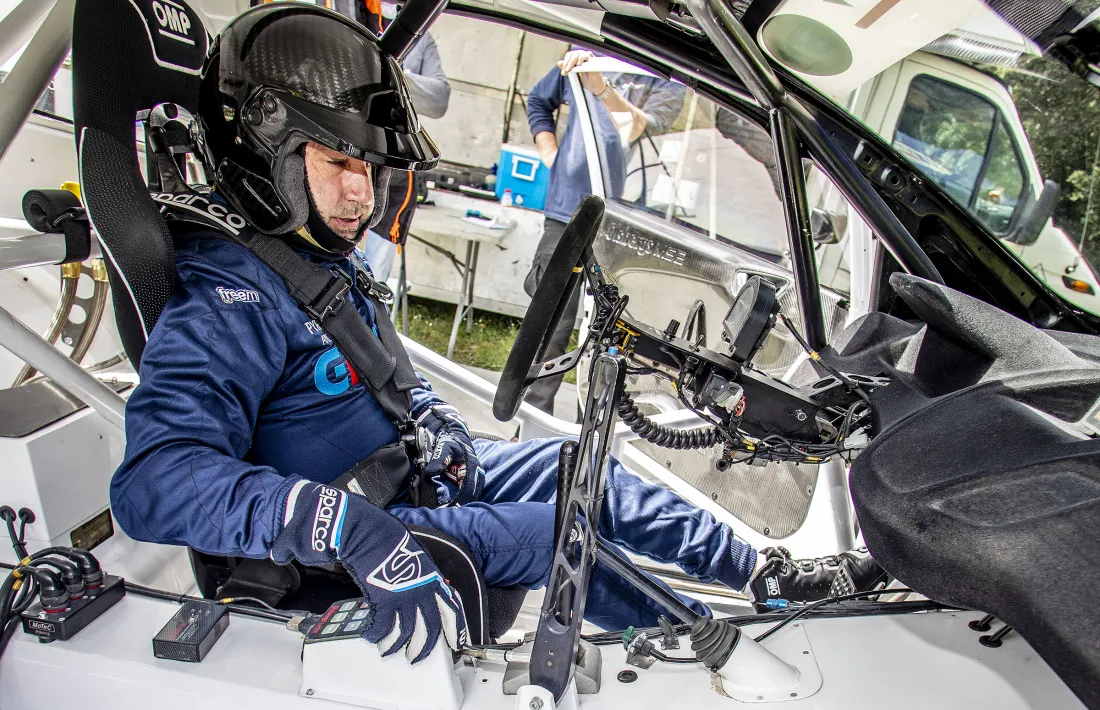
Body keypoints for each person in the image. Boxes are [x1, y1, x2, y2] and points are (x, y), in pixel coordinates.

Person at [110, 5, 883, 666]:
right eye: (337, 161)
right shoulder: (229, 298)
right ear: (264, 150)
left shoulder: (315, 261)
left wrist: (443, 429)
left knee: (589, 474)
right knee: (557, 533)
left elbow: (392, 386)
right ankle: (717, 655)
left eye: (369, 167)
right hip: (356, 543)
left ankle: (765, 577)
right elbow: (151, 486)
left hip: (420, 480)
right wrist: (338, 524)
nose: (359, 194)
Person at [524, 50, 685, 417]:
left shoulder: (667, 76)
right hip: (567, 212)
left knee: (608, 336)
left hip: (625, 228)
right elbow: (538, 99)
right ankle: (530, 427)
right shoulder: (588, 53)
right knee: (549, 325)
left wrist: (601, 87)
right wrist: (550, 151)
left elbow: (636, 128)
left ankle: (589, 437)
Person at [356, 1, 451, 281]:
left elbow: (439, 99)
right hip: (345, 154)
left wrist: (389, 73)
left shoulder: (421, 33)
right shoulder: (349, 13)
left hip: (393, 172)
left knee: (374, 274)